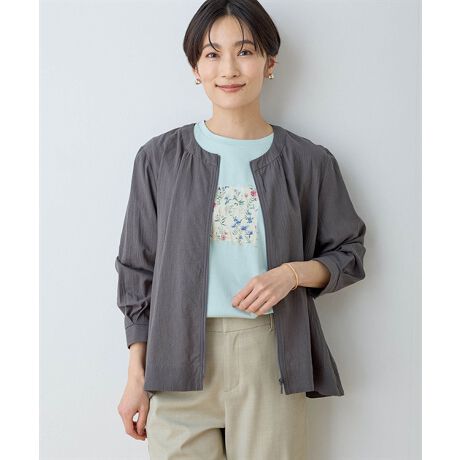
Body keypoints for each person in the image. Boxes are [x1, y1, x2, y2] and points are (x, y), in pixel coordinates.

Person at [115, 1, 367, 458]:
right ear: (195, 68)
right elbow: (137, 271)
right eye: (212, 54)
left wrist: (291, 274)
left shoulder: (308, 162)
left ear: (270, 62)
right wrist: (137, 375)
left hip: (270, 357)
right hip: (175, 361)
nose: (229, 69)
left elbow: (348, 252)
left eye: (245, 51)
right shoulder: (159, 159)